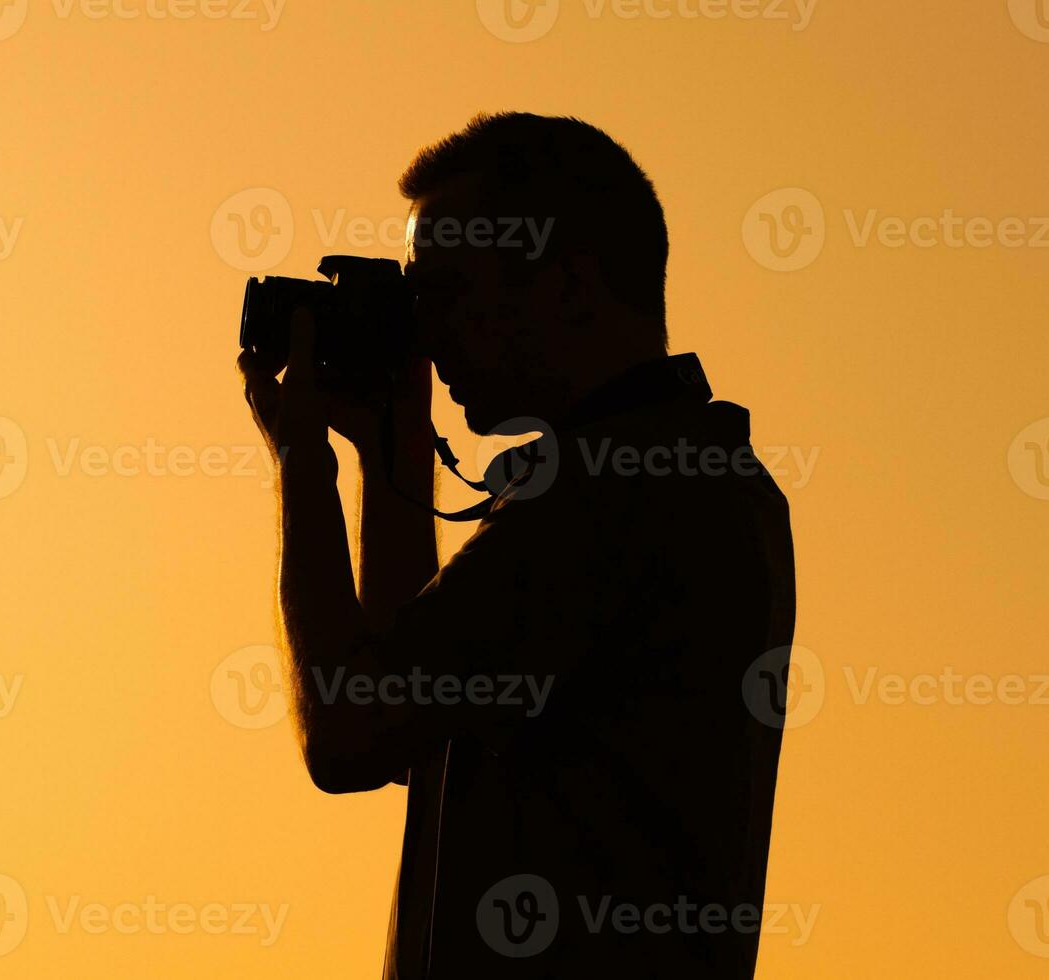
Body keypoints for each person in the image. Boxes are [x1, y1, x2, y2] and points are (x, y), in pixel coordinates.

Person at [237, 111, 797, 978]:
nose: (424, 331)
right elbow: (412, 706)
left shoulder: (620, 487)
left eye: (446, 292)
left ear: (570, 286)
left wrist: (303, 469)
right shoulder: (669, 467)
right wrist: (393, 453)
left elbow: (351, 731)